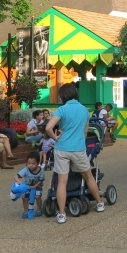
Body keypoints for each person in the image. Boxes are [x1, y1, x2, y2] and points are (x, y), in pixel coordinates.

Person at [45, 84, 103, 224]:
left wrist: (55, 138)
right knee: (89, 177)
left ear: (63, 96)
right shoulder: (84, 110)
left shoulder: (62, 109)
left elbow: (48, 127)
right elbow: (85, 131)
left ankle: (62, 214)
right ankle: (100, 203)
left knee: (62, 182)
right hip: (78, 148)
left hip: (62, 148)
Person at [11, 152, 45, 219]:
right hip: (27, 186)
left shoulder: (41, 171)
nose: (31, 165)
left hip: (37, 186)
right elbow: (16, 176)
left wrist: (34, 186)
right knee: (25, 198)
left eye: (33, 163)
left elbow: (40, 181)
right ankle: (26, 211)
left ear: (38, 163)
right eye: (29, 163)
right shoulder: (26, 169)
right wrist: (19, 181)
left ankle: (39, 209)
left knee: (38, 196)